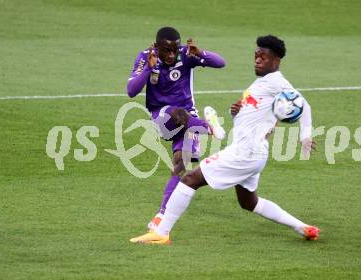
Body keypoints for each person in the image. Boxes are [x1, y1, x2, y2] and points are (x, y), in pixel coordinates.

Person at [130, 34, 320, 245]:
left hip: (246, 152)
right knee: (249, 202)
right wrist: (234, 111)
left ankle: (161, 231)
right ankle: (303, 227)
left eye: (263, 57)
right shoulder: (261, 83)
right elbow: (250, 115)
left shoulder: (277, 83)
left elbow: (304, 106)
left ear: (276, 60)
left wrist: (305, 136)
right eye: (256, 55)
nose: (257, 60)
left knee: (189, 179)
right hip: (254, 151)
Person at [127, 27, 226, 230]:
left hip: (189, 118)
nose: (172, 54)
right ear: (156, 47)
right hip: (162, 117)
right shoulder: (146, 57)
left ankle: (161, 216)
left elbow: (221, 63)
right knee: (178, 113)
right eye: (166, 50)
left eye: (175, 49)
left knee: (180, 166)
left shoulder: (185, 55)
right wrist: (148, 68)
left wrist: (200, 54)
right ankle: (210, 128)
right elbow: (131, 91)